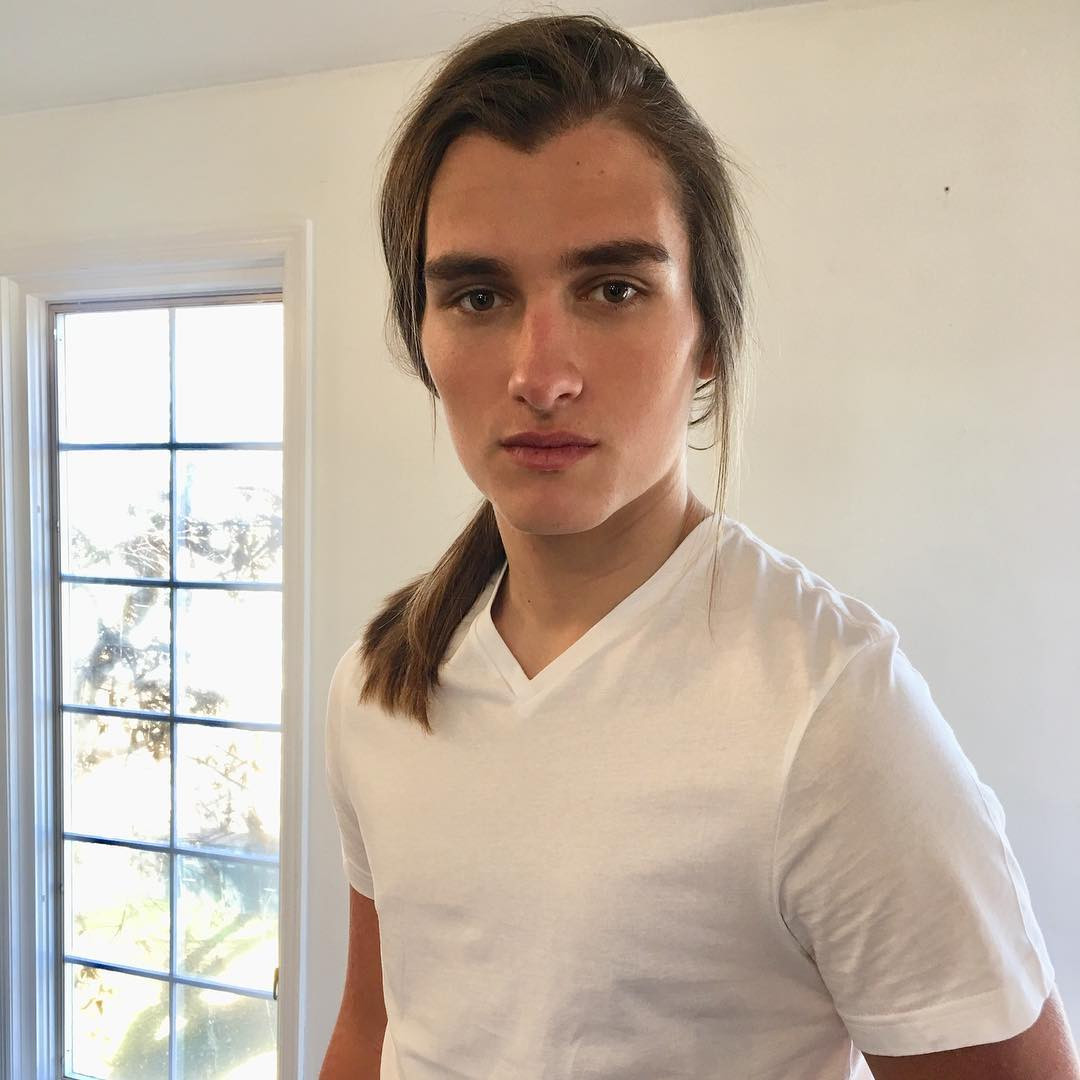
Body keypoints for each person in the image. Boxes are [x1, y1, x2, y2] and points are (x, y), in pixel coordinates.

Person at [320, 13, 1078, 1080]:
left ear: (710, 331)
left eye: (612, 289)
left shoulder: (829, 710)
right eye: (479, 296)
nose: (541, 375)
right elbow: (373, 1032)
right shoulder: (379, 684)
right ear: (423, 333)